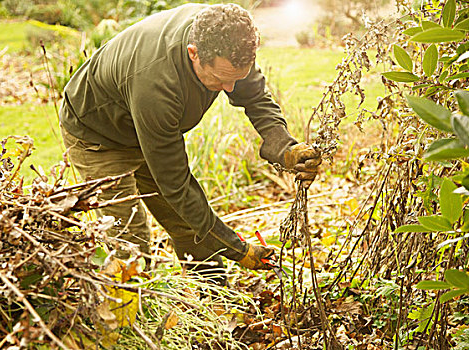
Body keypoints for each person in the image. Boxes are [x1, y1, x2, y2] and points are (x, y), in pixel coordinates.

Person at [59, 3, 321, 283]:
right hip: (99, 135)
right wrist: (237, 249)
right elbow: (176, 185)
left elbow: (255, 97)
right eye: (222, 80)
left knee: (187, 224)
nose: (231, 90)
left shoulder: (230, 39)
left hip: (149, 126)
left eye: (237, 78)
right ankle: (131, 317)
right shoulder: (157, 84)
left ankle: (215, 296)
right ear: (193, 53)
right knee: (130, 246)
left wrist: (284, 147)